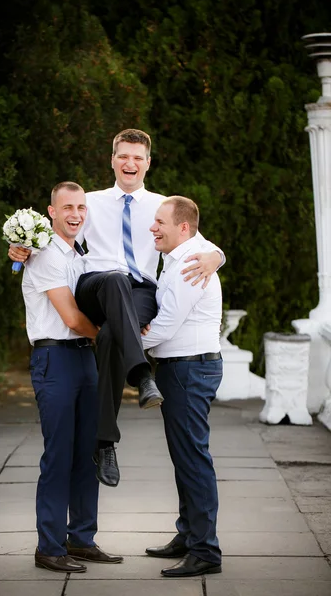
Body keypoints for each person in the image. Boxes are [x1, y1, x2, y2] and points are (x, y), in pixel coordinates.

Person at [10, 129, 224, 488]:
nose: (130, 163)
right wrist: (21, 249)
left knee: (112, 334)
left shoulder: (161, 205)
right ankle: (141, 375)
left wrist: (217, 257)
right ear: (112, 159)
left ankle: (105, 442)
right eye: (123, 155)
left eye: (138, 157)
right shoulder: (89, 202)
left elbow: (200, 239)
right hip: (96, 286)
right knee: (112, 279)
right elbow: (51, 234)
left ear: (148, 163)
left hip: (139, 291)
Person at [22, 181, 123, 573]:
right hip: (55, 359)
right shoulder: (45, 255)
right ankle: (49, 545)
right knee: (59, 456)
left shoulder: (81, 254)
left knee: (88, 453)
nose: (76, 214)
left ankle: (81, 539)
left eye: (81, 207)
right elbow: (71, 318)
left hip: (84, 360)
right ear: (51, 211)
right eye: (67, 208)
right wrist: (115, 341)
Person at [141, 196, 223, 578]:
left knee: (193, 460)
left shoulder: (191, 262)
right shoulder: (186, 255)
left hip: (189, 371)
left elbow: (168, 322)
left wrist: (124, 343)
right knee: (185, 458)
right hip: (181, 369)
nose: (153, 228)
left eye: (160, 222)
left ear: (183, 228)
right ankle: (188, 535)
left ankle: (205, 551)